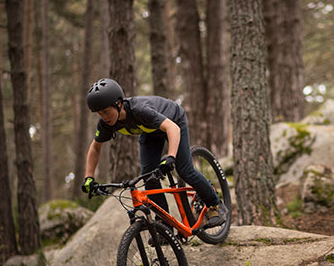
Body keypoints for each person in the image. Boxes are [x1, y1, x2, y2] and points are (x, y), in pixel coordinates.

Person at [80, 78, 226, 229]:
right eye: (99, 113)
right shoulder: (106, 124)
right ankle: (164, 223)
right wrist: (89, 177)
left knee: (184, 170)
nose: (104, 117)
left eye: (106, 111)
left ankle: (216, 205)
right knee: (149, 177)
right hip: (151, 132)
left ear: (118, 104)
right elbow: (95, 148)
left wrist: (171, 157)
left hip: (173, 121)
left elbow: (173, 129)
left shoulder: (140, 110)